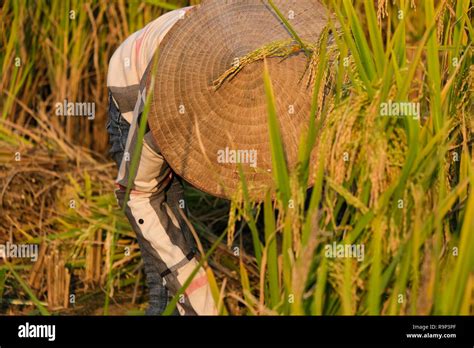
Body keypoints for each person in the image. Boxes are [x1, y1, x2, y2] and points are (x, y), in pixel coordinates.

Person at [106, 0, 327, 316]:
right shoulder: (162, 106)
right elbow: (136, 194)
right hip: (133, 81)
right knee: (165, 261)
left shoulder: (297, 65)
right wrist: (202, 300)